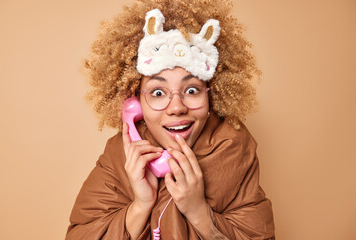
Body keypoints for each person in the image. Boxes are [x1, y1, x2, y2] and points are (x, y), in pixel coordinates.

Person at [66, 0, 275, 239]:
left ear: (212, 96)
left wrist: (199, 213)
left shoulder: (235, 149)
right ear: (134, 101)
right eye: (157, 93)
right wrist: (140, 205)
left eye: (192, 90)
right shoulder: (120, 153)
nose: (176, 108)